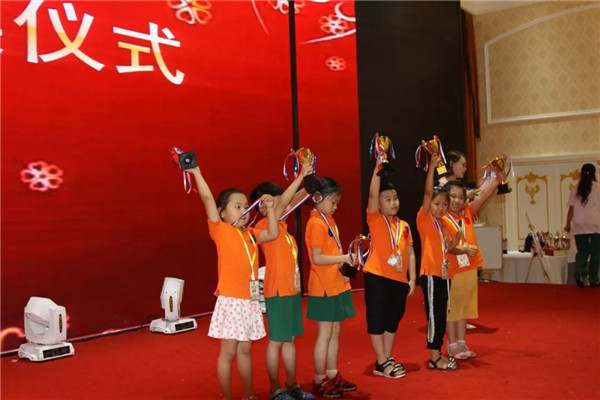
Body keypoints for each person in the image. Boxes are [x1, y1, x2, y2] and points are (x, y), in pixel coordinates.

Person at [187, 164, 279, 400]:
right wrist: (197, 172)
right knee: (228, 353)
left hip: (250, 300)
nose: (244, 211)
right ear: (222, 213)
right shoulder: (221, 230)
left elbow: (273, 234)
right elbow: (207, 198)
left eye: (246, 206)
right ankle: (227, 397)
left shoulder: (251, 235)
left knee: (246, 350)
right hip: (231, 300)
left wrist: (270, 211)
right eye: (237, 207)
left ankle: (249, 395)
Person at [250, 165, 315, 400]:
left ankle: (292, 384)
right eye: (278, 202)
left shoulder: (284, 230)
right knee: (277, 341)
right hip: (277, 291)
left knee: (290, 340)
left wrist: (309, 180)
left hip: (292, 291)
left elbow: (293, 199)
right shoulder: (262, 228)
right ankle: (275, 388)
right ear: (263, 205)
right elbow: (283, 204)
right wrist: (299, 177)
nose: (285, 206)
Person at [363, 161, 416, 379]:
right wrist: (378, 168)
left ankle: (387, 357)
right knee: (377, 319)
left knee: (393, 320)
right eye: (388, 199)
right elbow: (372, 194)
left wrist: (412, 279)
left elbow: (410, 252)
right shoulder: (374, 218)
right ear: (379, 203)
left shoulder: (404, 226)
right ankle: (381, 360)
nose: (393, 203)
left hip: (399, 279)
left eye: (395, 198)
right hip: (377, 277)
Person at [305, 177, 356, 398]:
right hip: (323, 287)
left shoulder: (328, 221)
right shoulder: (316, 223)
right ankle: (319, 379)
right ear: (318, 198)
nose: (335, 206)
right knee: (325, 334)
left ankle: (332, 373)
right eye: (333, 202)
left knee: (335, 331)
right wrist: (344, 257)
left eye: (337, 202)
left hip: (336, 284)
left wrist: (345, 265)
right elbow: (317, 258)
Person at [444, 178, 499, 360]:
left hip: (468, 266)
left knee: (465, 305)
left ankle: (462, 341)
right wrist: (463, 249)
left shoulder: (467, 211)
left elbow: (482, 197)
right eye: (453, 197)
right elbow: (445, 246)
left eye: (461, 197)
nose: (457, 201)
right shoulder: (442, 218)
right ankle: (452, 343)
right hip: (451, 268)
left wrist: (497, 179)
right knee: (452, 307)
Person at [416, 153, 460, 371]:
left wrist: (458, 240)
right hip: (431, 274)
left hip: (444, 274)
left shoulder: (444, 224)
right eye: (436, 204)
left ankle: (438, 353)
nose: (441, 208)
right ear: (429, 204)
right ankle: (434, 357)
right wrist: (432, 166)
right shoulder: (424, 219)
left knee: (442, 315)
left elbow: (449, 248)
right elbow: (427, 192)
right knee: (435, 316)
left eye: (444, 204)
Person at [564, 163, 600, 288]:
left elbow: (571, 209)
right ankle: (593, 279)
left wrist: (567, 224)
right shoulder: (598, 187)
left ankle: (579, 271)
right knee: (596, 252)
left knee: (582, 251)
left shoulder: (576, 188)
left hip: (579, 224)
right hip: (595, 224)